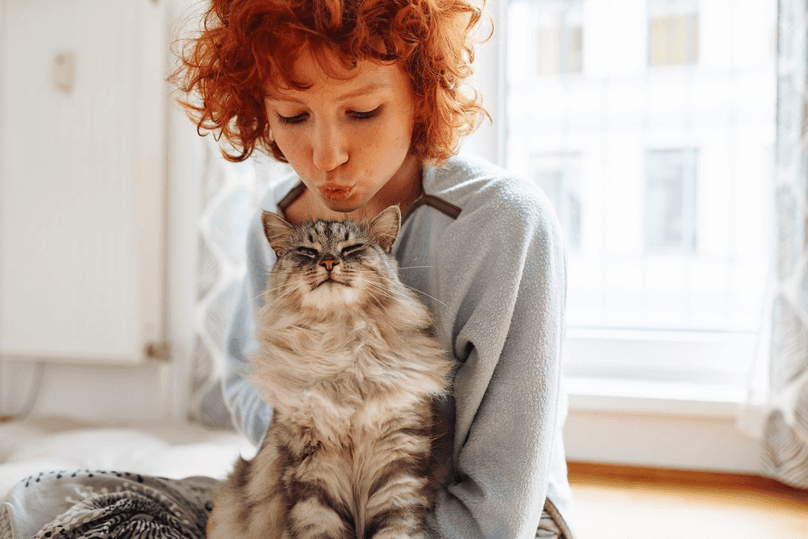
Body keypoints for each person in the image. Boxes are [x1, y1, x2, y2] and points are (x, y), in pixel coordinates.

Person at [1, 0, 575, 537]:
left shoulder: (504, 224)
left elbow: (504, 498)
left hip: (468, 520)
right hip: (302, 499)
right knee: (46, 506)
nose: (327, 156)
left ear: (421, 94)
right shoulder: (281, 221)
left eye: (363, 111)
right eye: (294, 116)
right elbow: (250, 390)